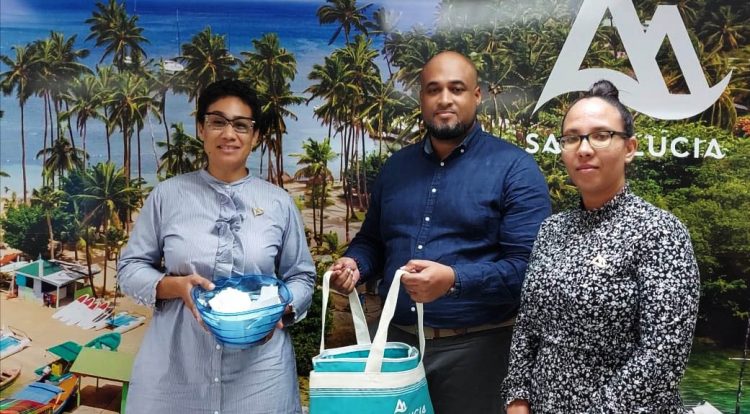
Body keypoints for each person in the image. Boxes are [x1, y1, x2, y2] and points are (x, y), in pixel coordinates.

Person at [328, 51, 552, 413]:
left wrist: (454, 280)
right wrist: (355, 264)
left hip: (479, 352)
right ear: (422, 99)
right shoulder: (396, 167)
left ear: (476, 96)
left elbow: (530, 270)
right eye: (434, 89)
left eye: (456, 88)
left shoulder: (515, 169)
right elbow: (373, 241)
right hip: (396, 348)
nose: (444, 99)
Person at [118, 79, 316, 413]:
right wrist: (175, 286)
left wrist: (279, 309)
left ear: (255, 137)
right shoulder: (168, 195)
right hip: (175, 372)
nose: (229, 134)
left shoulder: (278, 203)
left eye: (242, 125)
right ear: (201, 128)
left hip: (259, 377)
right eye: (218, 122)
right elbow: (130, 269)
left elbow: (302, 277)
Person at [502, 80, 700, 413]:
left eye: (601, 135)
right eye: (572, 137)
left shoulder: (659, 232)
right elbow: (528, 326)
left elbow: (663, 355)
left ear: (630, 147)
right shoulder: (552, 229)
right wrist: (517, 397)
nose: (583, 148)